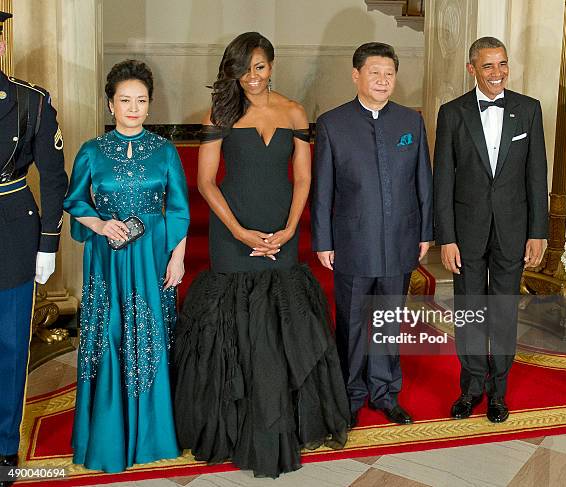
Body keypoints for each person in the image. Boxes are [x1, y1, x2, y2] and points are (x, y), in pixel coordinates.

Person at [172, 32, 350, 479]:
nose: (252, 78)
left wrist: (290, 229)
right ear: (231, 71)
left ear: (272, 65)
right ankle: (230, 425)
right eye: (242, 68)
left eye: (259, 67)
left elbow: (304, 180)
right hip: (233, 231)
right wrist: (240, 233)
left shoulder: (294, 111)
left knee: (278, 318)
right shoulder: (221, 113)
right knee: (234, 321)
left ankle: (278, 418)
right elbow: (207, 182)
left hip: (281, 227)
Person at [64, 60, 189, 472]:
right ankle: (108, 433)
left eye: (141, 101)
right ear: (110, 105)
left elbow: (178, 209)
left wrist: (178, 256)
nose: (133, 108)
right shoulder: (91, 152)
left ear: (150, 106)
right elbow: (76, 201)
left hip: (154, 254)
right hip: (109, 256)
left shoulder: (165, 151)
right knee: (110, 333)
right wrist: (100, 223)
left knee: (152, 333)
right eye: (125, 100)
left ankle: (153, 435)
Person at [311, 42, 433, 429]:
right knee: (352, 322)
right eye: (374, 73)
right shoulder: (333, 123)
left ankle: (385, 392)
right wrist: (323, 240)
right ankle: (350, 395)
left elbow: (423, 183)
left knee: (389, 320)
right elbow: (323, 189)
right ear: (356, 76)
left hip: (401, 238)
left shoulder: (410, 122)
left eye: (389, 74)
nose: (383, 80)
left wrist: (426, 231)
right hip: (352, 241)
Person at [433, 37, 548, 423]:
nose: (497, 73)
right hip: (465, 233)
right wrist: (445, 237)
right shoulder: (451, 113)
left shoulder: (528, 110)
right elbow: (442, 182)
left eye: (502, 64)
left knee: (502, 313)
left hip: (513, 230)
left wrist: (538, 231)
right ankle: (471, 389)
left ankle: (498, 392)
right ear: (472, 69)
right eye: (488, 66)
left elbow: (536, 177)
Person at [0, 11, 67, 486]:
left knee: (7, 345)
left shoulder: (30, 102)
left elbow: (55, 177)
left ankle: (3, 446)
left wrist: (48, 243)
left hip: (12, 233)